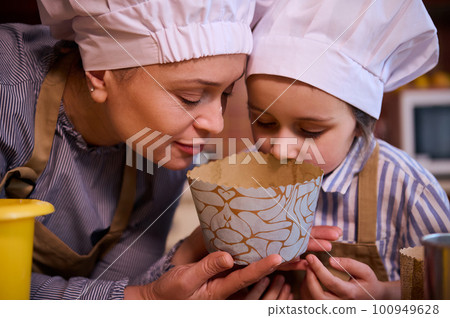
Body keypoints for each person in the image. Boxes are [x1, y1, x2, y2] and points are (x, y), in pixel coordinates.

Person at [0, 0, 339, 300]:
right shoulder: (7, 92)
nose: (216, 125)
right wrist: (143, 300)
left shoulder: (161, 154)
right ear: (101, 73)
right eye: (190, 97)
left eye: (225, 94)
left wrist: (191, 251)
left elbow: (114, 288)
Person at [246, 0, 450, 299]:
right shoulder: (246, 176)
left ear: (361, 123)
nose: (282, 149)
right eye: (264, 121)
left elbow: (441, 290)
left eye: (310, 131)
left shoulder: (407, 188)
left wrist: (384, 293)